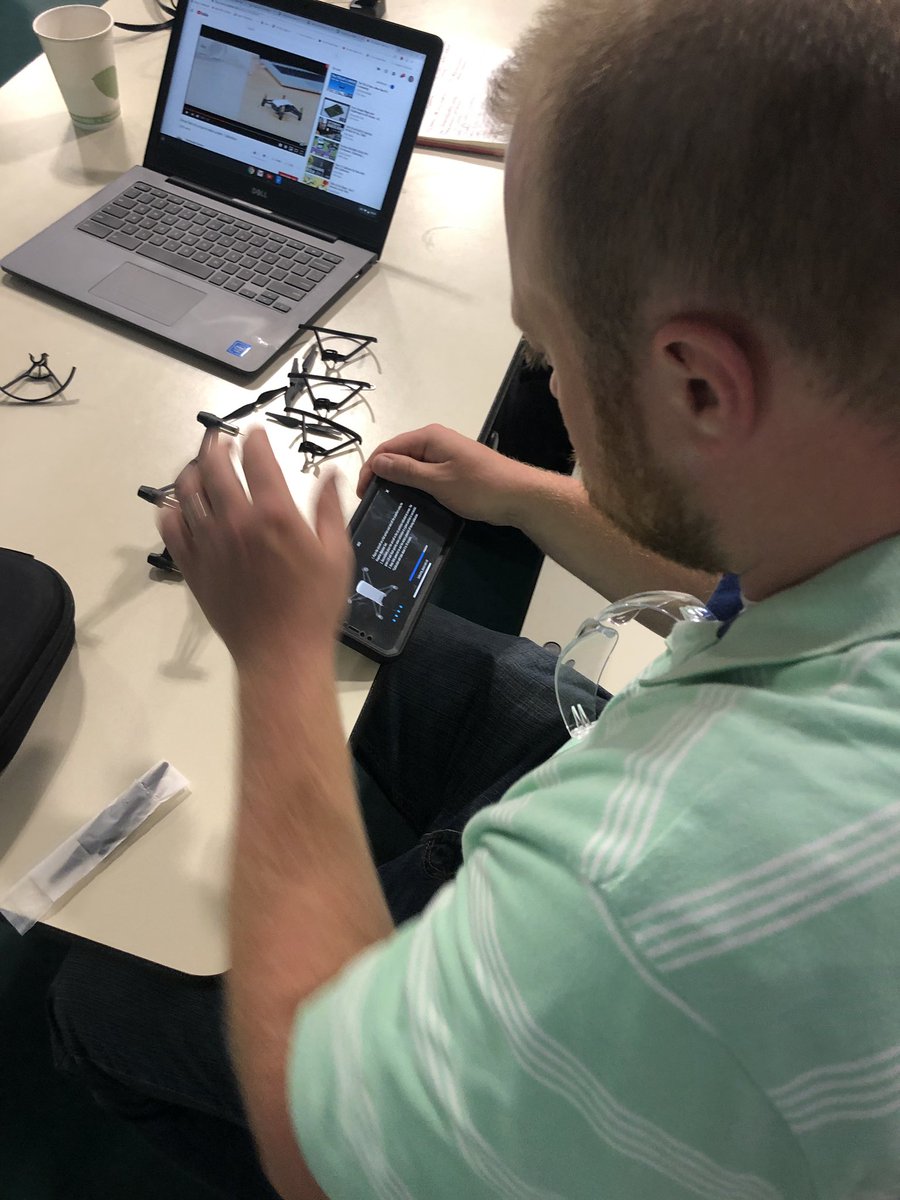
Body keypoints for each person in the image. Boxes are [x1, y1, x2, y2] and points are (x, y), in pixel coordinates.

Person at [48, 0, 900, 1196]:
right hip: (648, 746)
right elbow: (761, 572)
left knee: (97, 1003)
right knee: (386, 642)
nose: (544, 378)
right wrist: (529, 496)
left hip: (627, 897)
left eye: (545, 349)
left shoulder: (655, 886)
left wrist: (280, 657)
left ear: (701, 387)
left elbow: (323, 1115)